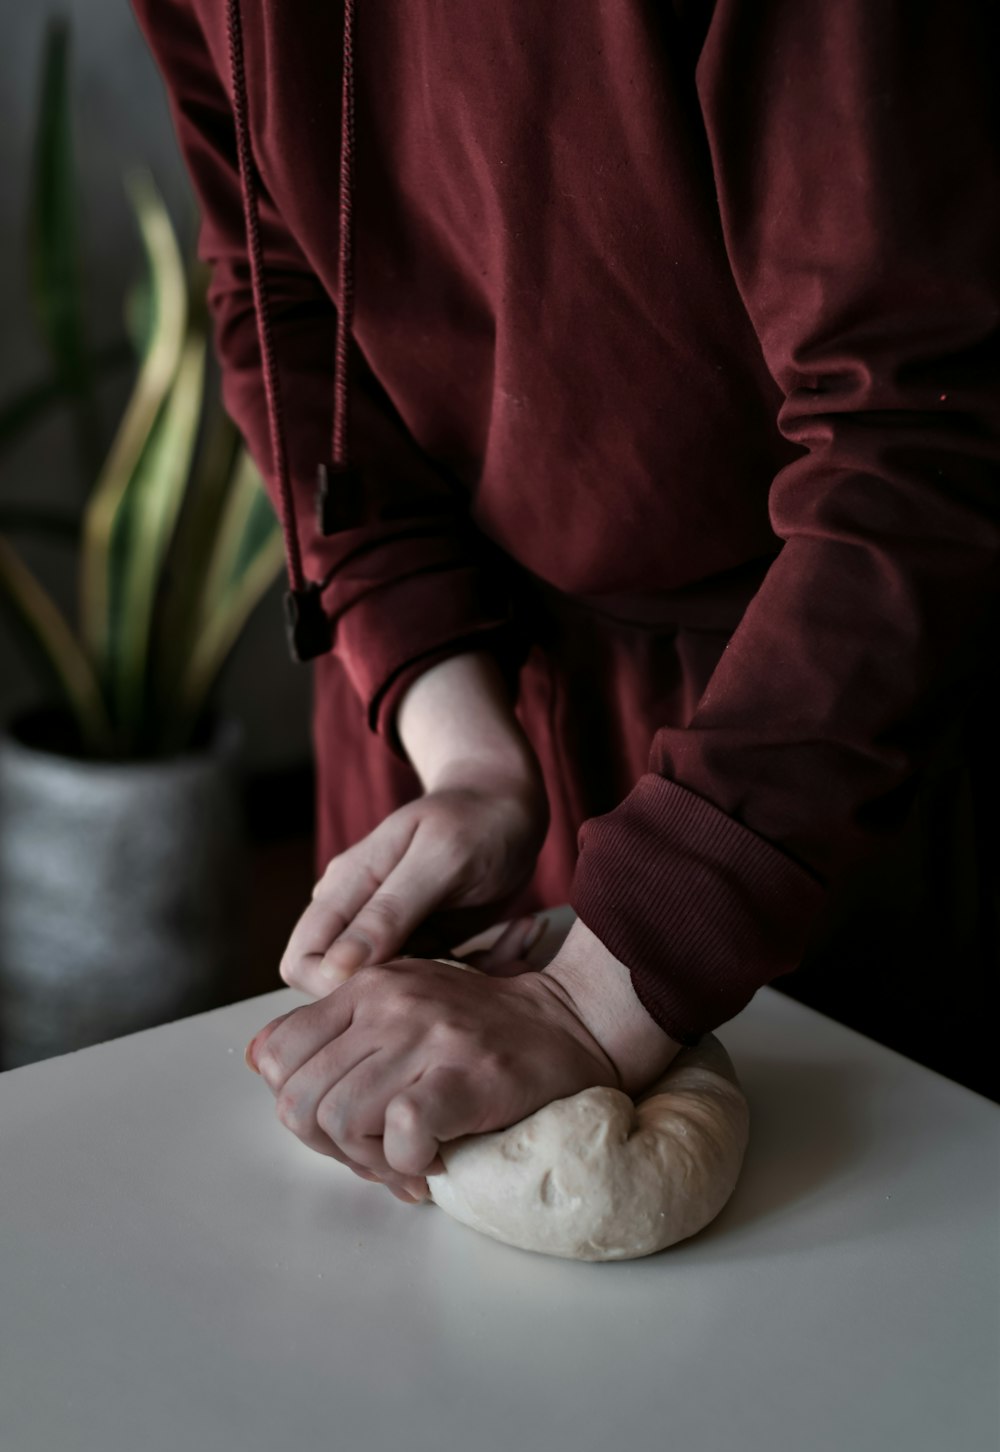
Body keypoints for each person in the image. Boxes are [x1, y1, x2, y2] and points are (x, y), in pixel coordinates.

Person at [131, 0, 999, 1200]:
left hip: (811, 735)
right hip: (449, 711)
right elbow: (279, 304)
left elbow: (916, 439)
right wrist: (468, 757)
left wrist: (603, 993)